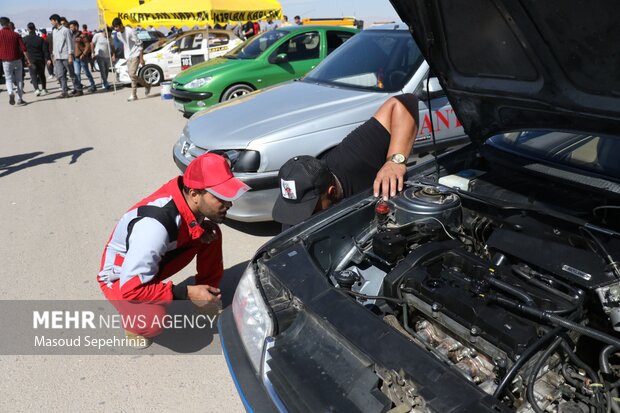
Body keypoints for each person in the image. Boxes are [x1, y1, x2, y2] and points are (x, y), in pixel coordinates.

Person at [98, 153, 250, 343]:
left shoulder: (188, 199)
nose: (229, 204)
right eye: (221, 197)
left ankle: (206, 296)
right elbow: (132, 289)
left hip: (152, 262)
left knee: (210, 233)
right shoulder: (153, 228)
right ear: (194, 194)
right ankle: (133, 324)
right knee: (152, 320)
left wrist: (197, 232)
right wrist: (186, 292)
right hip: (121, 278)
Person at [272, 94, 419, 228]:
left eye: (308, 211)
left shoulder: (353, 156)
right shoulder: (293, 220)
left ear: (332, 192)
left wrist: (395, 161)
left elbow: (403, 102)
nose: (301, 220)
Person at [112, 17, 151, 101]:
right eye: (114, 27)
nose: (115, 29)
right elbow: (126, 44)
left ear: (121, 25)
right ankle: (147, 85)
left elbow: (140, 44)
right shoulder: (118, 34)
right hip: (128, 57)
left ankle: (133, 94)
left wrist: (141, 58)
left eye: (116, 27)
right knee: (131, 76)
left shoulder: (130, 31)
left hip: (135, 55)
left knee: (132, 74)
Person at [0, 16, 30, 105]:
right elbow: (23, 48)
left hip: (6, 60)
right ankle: (20, 99)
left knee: (8, 78)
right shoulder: (16, 35)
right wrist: (27, 59)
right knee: (19, 79)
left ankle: (10, 92)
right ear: (9, 23)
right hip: (17, 59)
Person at [49, 13, 77, 98]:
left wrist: (70, 55)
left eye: (52, 21)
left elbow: (69, 43)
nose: (51, 23)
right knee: (60, 75)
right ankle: (64, 92)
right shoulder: (54, 31)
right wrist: (54, 55)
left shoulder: (66, 30)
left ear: (56, 21)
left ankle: (78, 89)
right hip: (58, 57)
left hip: (66, 56)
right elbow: (54, 44)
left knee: (71, 74)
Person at [69, 20, 96, 94]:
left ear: (76, 26)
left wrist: (83, 54)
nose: (71, 28)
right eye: (70, 27)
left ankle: (93, 85)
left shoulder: (82, 35)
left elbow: (88, 45)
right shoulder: (71, 36)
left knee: (87, 72)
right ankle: (78, 88)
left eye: (72, 27)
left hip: (82, 58)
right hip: (75, 58)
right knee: (77, 73)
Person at [23, 22, 49, 96]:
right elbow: (45, 50)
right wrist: (48, 58)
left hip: (31, 59)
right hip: (40, 59)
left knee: (33, 74)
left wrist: (24, 60)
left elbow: (22, 50)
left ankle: (36, 89)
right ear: (35, 29)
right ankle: (44, 89)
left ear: (28, 29)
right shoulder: (40, 39)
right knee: (42, 74)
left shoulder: (24, 39)